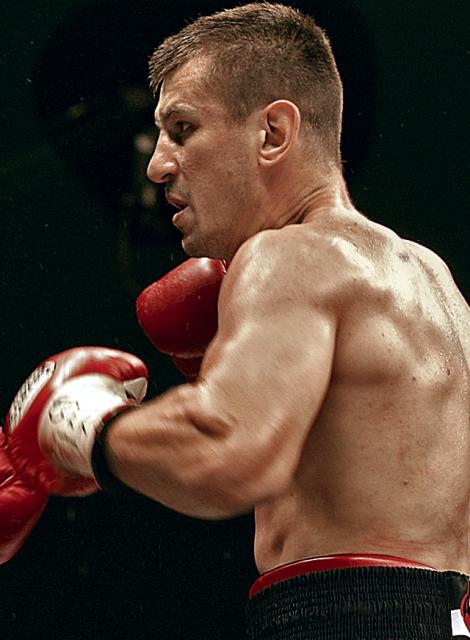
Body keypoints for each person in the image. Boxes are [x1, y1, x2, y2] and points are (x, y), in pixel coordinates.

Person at [1, 3, 469, 638]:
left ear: (273, 133)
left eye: (183, 128)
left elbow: (227, 451)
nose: (157, 164)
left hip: (347, 612)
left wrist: (84, 427)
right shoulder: (433, 280)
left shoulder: (287, 256)